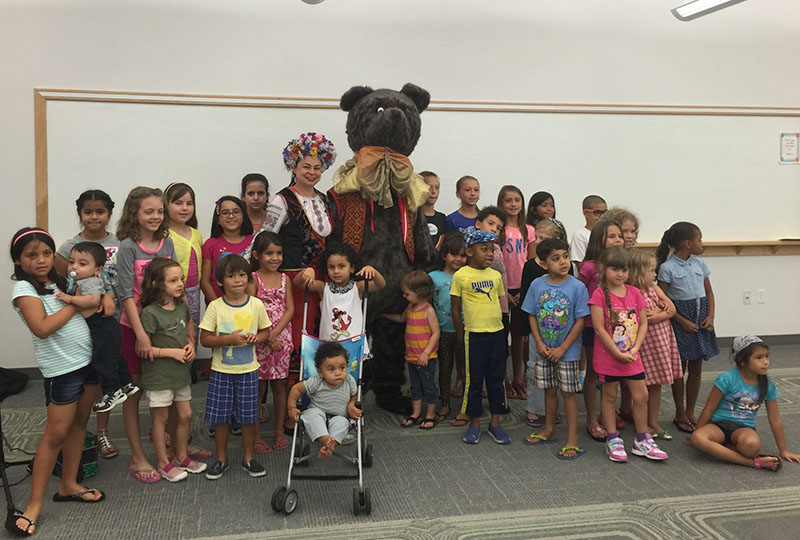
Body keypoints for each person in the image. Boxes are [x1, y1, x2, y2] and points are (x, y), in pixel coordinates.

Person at [9, 228, 104, 536]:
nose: (41, 260)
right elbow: (42, 327)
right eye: (32, 255)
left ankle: (69, 484)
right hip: (61, 369)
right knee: (55, 434)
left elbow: (99, 298)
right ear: (18, 260)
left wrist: (101, 301)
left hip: (87, 361)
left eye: (47, 254)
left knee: (79, 423)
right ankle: (34, 505)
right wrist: (77, 304)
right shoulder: (24, 289)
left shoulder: (62, 281)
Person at [249, 133, 337, 401]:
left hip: (321, 281)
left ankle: (318, 400)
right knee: (298, 342)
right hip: (293, 282)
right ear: (293, 167)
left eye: (317, 167)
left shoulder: (325, 199)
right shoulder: (282, 200)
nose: (311, 172)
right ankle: (290, 407)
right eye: (305, 167)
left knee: (321, 339)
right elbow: (265, 236)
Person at [116, 186, 178, 484]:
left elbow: (171, 285)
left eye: (159, 211)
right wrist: (141, 335)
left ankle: (175, 450)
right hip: (134, 329)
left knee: (167, 387)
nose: (155, 216)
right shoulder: (128, 246)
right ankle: (138, 456)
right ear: (135, 214)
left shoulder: (167, 243)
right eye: (148, 211)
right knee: (136, 391)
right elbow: (126, 294)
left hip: (164, 328)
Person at [54, 189, 120, 459]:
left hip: (108, 319)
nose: (94, 217)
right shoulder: (68, 248)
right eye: (88, 211)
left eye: (100, 211)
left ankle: (102, 432)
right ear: (80, 213)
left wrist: (106, 297)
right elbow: (60, 283)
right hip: (79, 321)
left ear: (109, 214)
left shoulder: (119, 242)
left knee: (103, 377)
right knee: (81, 378)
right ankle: (73, 432)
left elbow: (114, 280)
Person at [590, 247, 668, 462]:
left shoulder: (634, 292)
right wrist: (617, 352)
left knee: (641, 395)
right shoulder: (599, 295)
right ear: (603, 269)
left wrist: (635, 348)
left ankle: (642, 439)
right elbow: (599, 328)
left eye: (624, 270)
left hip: (633, 356)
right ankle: (613, 438)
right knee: (609, 396)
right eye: (614, 269)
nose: (620, 274)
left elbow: (643, 323)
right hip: (609, 357)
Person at [200, 254, 271, 480]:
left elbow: (265, 331)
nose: (238, 280)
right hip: (221, 371)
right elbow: (205, 339)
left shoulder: (256, 304)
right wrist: (227, 340)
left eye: (242, 275)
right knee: (220, 418)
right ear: (220, 281)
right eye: (231, 276)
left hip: (248, 371)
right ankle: (221, 459)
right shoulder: (215, 307)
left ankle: (248, 458)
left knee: (249, 417)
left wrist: (257, 339)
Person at [689, 336, 800, 471]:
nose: (765, 362)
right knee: (698, 438)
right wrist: (696, 433)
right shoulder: (727, 379)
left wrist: (783, 450)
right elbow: (709, 409)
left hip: (743, 428)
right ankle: (752, 463)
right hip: (718, 425)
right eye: (759, 358)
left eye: (766, 356)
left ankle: (726, 449)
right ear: (742, 361)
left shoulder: (768, 386)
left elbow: (775, 419)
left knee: (752, 447)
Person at [521, 238, 589, 460]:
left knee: (568, 394)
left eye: (566, 257)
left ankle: (572, 439)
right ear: (543, 263)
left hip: (567, 353)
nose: (563, 262)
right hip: (545, 350)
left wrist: (563, 348)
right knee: (548, 390)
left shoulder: (577, 287)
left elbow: (580, 321)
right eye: (556, 258)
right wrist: (539, 343)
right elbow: (531, 314)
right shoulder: (537, 285)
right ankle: (549, 429)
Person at [139, 258, 205, 481]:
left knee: (185, 414)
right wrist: (171, 353)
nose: (180, 284)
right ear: (157, 283)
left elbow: (188, 332)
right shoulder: (149, 313)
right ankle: (162, 462)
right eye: (173, 280)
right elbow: (143, 349)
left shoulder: (181, 306)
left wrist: (189, 346)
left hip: (180, 373)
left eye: (182, 279)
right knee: (161, 418)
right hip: (159, 375)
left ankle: (181, 456)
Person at [56, 242, 137, 413]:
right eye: (71, 262)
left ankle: (112, 391)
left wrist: (69, 299)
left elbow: (93, 300)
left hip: (101, 325)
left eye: (82, 264)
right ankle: (127, 383)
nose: (74, 267)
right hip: (106, 326)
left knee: (102, 360)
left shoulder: (89, 281)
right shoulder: (80, 280)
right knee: (114, 355)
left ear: (97, 269)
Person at [656, 221, 719, 434]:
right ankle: (679, 412)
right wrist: (681, 321)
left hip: (701, 320)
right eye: (699, 240)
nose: (703, 244)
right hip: (680, 321)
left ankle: (691, 411)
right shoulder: (667, 268)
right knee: (678, 370)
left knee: (696, 367)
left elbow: (709, 292)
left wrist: (710, 315)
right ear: (687, 243)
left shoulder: (700, 265)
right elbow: (661, 298)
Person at [451, 229, 510, 445]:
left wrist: (503, 332)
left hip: (496, 334)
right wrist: (460, 336)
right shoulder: (461, 276)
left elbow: (500, 306)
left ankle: (495, 423)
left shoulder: (495, 275)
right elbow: (455, 310)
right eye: (483, 249)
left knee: (496, 380)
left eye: (492, 249)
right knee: (474, 381)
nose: (490, 254)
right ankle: (474, 423)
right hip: (473, 336)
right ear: (469, 251)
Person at [519, 218, 573, 429]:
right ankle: (533, 407)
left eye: (545, 238)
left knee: (557, 372)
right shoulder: (530, 267)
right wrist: (524, 329)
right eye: (537, 238)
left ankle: (551, 409)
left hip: (561, 333)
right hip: (537, 332)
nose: (540, 242)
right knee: (534, 368)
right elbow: (526, 300)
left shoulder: (568, 271)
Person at [627, 249, 682, 439]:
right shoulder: (632, 292)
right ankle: (641, 422)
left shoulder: (655, 289)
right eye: (651, 271)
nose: (655, 274)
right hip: (643, 344)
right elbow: (641, 319)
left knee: (657, 384)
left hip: (660, 342)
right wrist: (659, 313)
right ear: (639, 272)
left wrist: (659, 314)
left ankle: (653, 421)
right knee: (642, 386)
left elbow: (672, 309)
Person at [247, 231, 294, 452]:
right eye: (269, 254)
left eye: (279, 253)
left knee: (280, 385)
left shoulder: (286, 279)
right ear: (257, 255)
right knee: (258, 388)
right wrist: (267, 336)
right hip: (260, 339)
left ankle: (278, 431)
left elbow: (290, 309)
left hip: (281, 339)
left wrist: (275, 335)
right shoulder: (253, 279)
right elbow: (251, 311)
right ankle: (256, 435)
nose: (275, 258)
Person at [577, 219, 624, 441]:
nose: (617, 240)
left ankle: (607, 414)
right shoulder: (589, 267)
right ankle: (591, 418)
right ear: (599, 239)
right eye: (611, 236)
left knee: (614, 373)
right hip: (592, 326)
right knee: (594, 372)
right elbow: (578, 292)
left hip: (619, 327)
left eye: (619, 236)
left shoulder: (624, 265)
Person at [295, 243, 385, 344]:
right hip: (328, 346)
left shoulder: (358, 287)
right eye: (331, 267)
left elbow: (380, 284)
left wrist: (373, 272)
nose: (336, 271)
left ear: (352, 268)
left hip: (354, 345)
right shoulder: (323, 288)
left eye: (341, 266)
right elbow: (298, 283)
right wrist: (307, 271)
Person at [384, 271, 440, 430]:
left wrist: (426, 353)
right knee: (415, 387)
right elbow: (401, 319)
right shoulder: (410, 307)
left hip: (425, 358)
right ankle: (416, 413)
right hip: (411, 356)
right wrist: (383, 314)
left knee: (428, 386)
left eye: (407, 293)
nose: (404, 296)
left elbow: (436, 333)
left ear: (420, 293)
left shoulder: (428, 310)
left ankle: (430, 415)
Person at [287, 342, 362, 459]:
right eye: (331, 369)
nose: (338, 373)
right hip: (317, 412)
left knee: (342, 423)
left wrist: (351, 405)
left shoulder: (349, 381)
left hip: (339, 415)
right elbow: (296, 388)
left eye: (342, 368)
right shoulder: (316, 382)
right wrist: (291, 407)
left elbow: (355, 395)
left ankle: (329, 445)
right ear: (320, 372)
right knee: (312, 415)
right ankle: (328, 442)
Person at [498, 185, 536, 402]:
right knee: (502, 335)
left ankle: (518, 378)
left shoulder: (528, 230)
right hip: (501, 289)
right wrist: (504, 292)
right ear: (501, 203)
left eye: (517, 200)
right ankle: (502, 377)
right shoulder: (499, 230)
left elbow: (530, 263)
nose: (513, 204)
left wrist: (523, 290)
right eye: (508, 200)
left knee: (520, 336)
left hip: (522, 289)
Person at [428, 232, 466, 423]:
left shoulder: (468, 275)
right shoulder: (433, 277)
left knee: (465, 368)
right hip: (442, 332)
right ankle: (444, 402)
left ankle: (467, 406)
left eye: (462, 255)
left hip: (466, 331)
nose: (458, 259)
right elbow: (426, 305)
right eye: (453, 254)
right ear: (444, 255)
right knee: (444, 368)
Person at [165, 182, 204, 337]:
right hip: (171, 294)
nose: (184, 208)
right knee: (173, 332)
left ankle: (190, 361)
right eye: (178, 203)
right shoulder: (164, 235)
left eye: (189, 203)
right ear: (166, 205)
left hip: (194, 293)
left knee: (192, 331)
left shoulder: (196, 234)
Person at [200, 196, 254, 303]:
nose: (231, 216)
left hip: (248, 305)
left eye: (236, 211)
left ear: (243, 216)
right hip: (218, 306)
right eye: (225, 212)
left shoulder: (253, 242)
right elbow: (205, 281)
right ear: (218, 219)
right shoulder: (210, 244)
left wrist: (249, 304)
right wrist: (218, 305)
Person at [570, 194, 607, 264]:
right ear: (585, 213)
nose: (602, 216)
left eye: (605, 212)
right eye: (597, 213)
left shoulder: (609, 233)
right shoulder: (580, 235)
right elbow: (579, 263)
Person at [420, 170, 447, 250]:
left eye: (437, 188)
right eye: (429, 188)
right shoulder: (411, 218)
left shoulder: (442, 218)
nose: (434, 192)